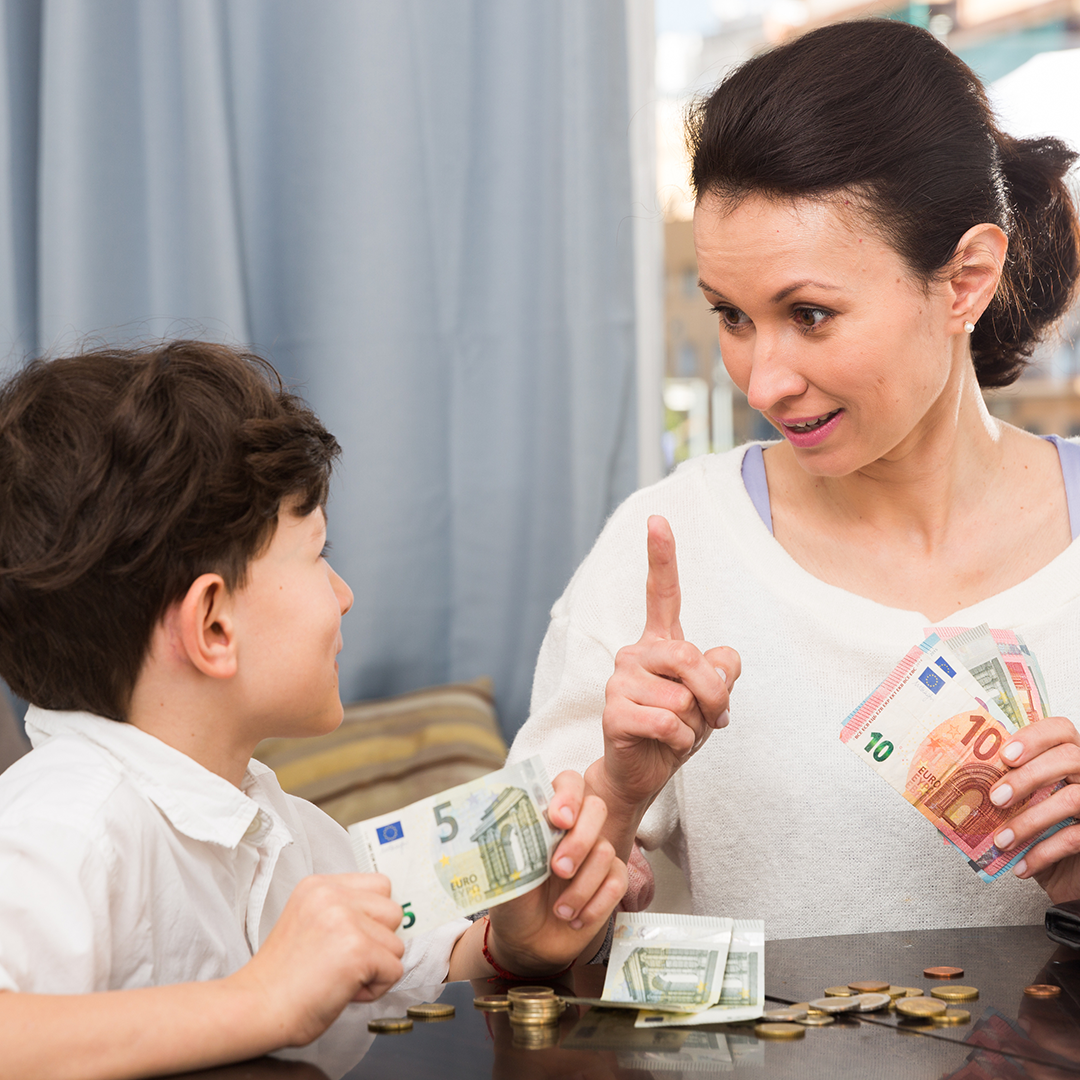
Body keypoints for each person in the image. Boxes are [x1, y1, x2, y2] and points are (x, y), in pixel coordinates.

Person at [508, 18, 1080, 940]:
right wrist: (615, 795)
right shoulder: (671, 546)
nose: (762, 381)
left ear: (967, 278)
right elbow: (513, 948)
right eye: (732, 316)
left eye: (809, 314)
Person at [0, 341, 626, 1079]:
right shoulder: (66, 819)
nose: (344, 594)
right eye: (317, 553)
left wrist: (504, 947)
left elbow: (398, 964)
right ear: (213, 627)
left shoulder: (279, 825)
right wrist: (262, 999)